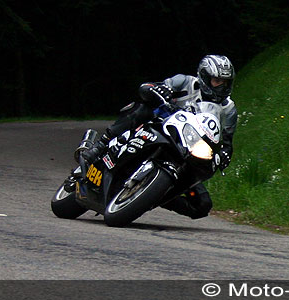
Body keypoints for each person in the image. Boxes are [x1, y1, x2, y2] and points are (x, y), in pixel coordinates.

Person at [82, 55, 238, 219]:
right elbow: (148, 88)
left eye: (226, 82)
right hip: (158, 127)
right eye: (217, 81)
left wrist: (224, 154)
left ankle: (156, 195)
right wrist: (157, 90)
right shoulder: (185, 82)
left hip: (187, 149)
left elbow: (227, 142)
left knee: (202, 205)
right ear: (205, 76)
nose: (222, 86)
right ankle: (101, 144)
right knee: (142, 108)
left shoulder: (228, 109)